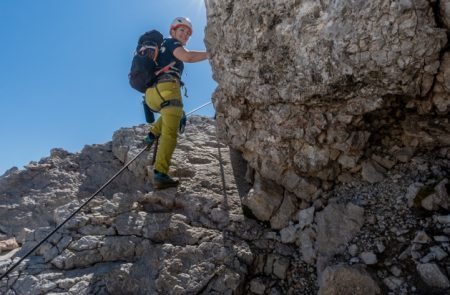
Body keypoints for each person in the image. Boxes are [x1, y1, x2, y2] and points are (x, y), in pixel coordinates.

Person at [144, 17, 208, 189]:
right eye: (182, 31)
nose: (185, 35)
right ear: (172, 31)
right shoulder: (172, 43)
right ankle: (160, 173)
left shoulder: (161, 46)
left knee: (173, 113)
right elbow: (188, 57)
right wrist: (212, 53)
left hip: (151, 95)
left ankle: (150, 136)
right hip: (167, 88)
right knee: (170, 134)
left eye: (188, 34)